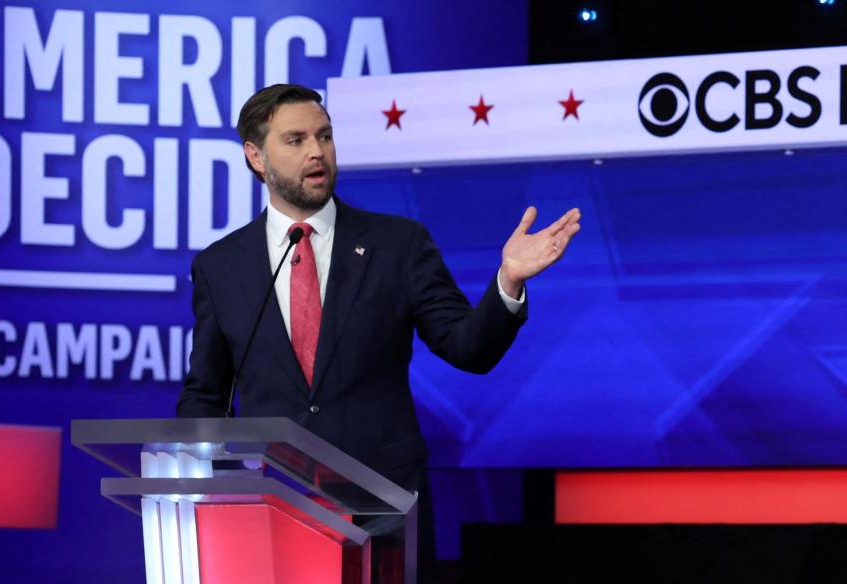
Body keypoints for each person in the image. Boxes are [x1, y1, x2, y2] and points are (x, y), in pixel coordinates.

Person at [178, 83, 581, 495]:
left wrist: (509, 280)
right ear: (256, 157)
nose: (317, 151)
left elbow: (469, 348)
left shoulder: (397, 245)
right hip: (273, 502)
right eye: (296, 140)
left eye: (325, 135)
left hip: (381, 499)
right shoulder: (220, 266)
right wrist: (193, 480)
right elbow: (206, 392)